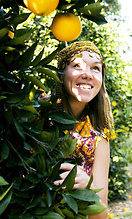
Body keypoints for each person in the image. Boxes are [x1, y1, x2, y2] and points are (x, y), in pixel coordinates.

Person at [53, 41, 115, 219]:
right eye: (77, 65)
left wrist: (88, 188)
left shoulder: (99, 140)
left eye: (95, 68)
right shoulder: (36, 117)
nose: (87, 74)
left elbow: (102, 215)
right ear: (61, 73)